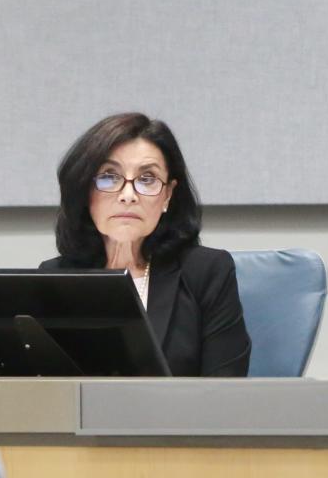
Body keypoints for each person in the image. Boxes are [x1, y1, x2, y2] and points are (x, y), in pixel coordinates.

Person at [40, 112, 250, 376]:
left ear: (167, 196)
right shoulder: (56, 278)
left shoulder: (206, 272)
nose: (128, 195)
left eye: (147, 179)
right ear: (84, 191)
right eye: (109, 176)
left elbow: (225, 392)